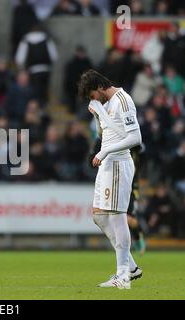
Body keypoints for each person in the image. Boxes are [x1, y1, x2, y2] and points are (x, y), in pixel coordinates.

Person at [78, 69, 143, 289]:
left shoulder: (123, 100)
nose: (92, 100)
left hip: (117, 163)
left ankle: (123, 276)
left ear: (99, 87)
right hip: (106, 164)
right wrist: (97, 115)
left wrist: (105, 153)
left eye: (91, 95)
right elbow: (104, 134)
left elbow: (135, 137)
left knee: (116, 217)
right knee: (99, 216)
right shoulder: (106, 105)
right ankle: (131, 267)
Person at [90, 139, 146, 256]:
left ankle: (137, 237)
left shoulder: (131, 141)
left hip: (130, 182)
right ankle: (123, 250)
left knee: (129, 219)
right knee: (112, 216)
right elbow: (90, 161)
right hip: (111, 180)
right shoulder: (101, 141)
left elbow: (141, 153)